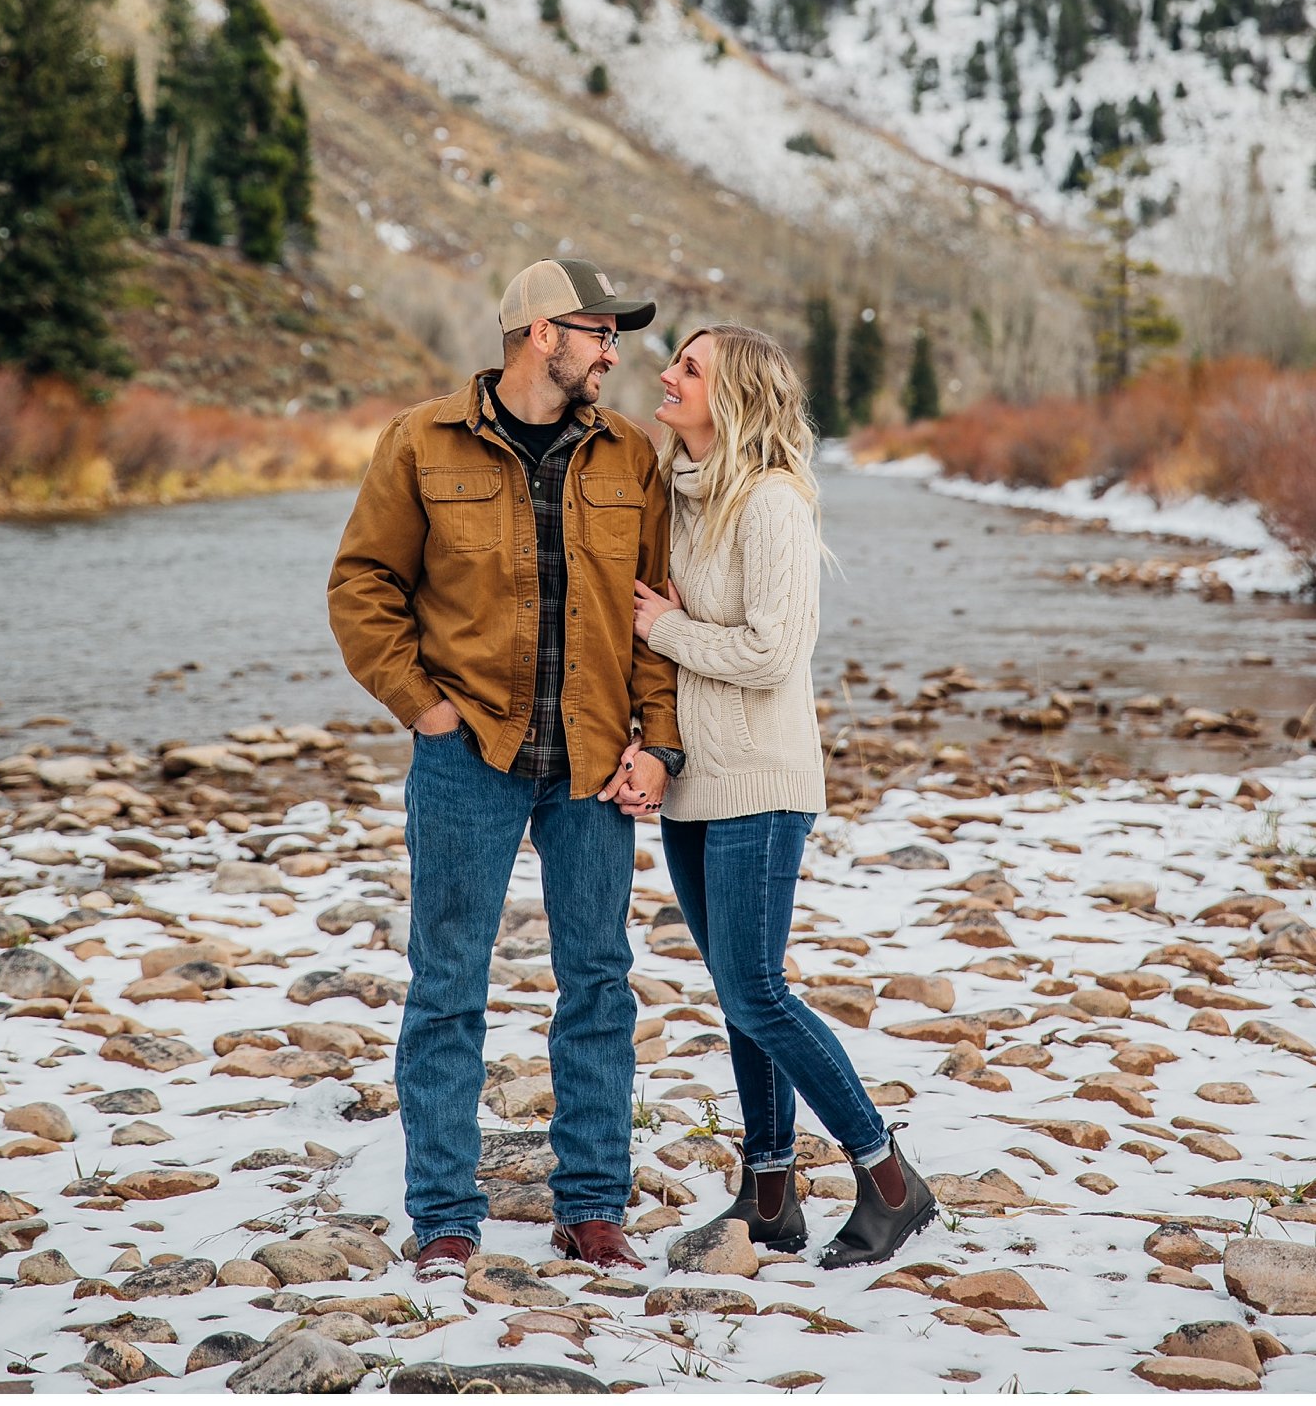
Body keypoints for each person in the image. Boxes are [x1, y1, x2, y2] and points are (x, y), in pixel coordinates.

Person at [328, 257, 684, 1282]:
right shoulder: (421, 440)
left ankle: (593, 1209)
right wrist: (421, 704)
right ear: (541, 333)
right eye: (598, 331)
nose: (613, 350)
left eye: (617, 334)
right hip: (466, 759)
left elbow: (655, 613)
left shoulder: (630, 456)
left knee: (600, 984)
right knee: (447, 986)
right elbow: (362, 586)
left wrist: (654, 743)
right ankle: (443, 1217)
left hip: (589, 763)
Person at [633, 323, 937, 1268]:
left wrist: (669, 629)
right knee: (736, 995)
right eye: (674, 360)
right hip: (695, 781)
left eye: (691, 367)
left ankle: (889, 1177)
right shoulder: (678, 495)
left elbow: (773, 652)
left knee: (759, 990)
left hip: (762, 781)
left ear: (736, 399)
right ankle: (769, 1193)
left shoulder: (770, 502)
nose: (668, 374)